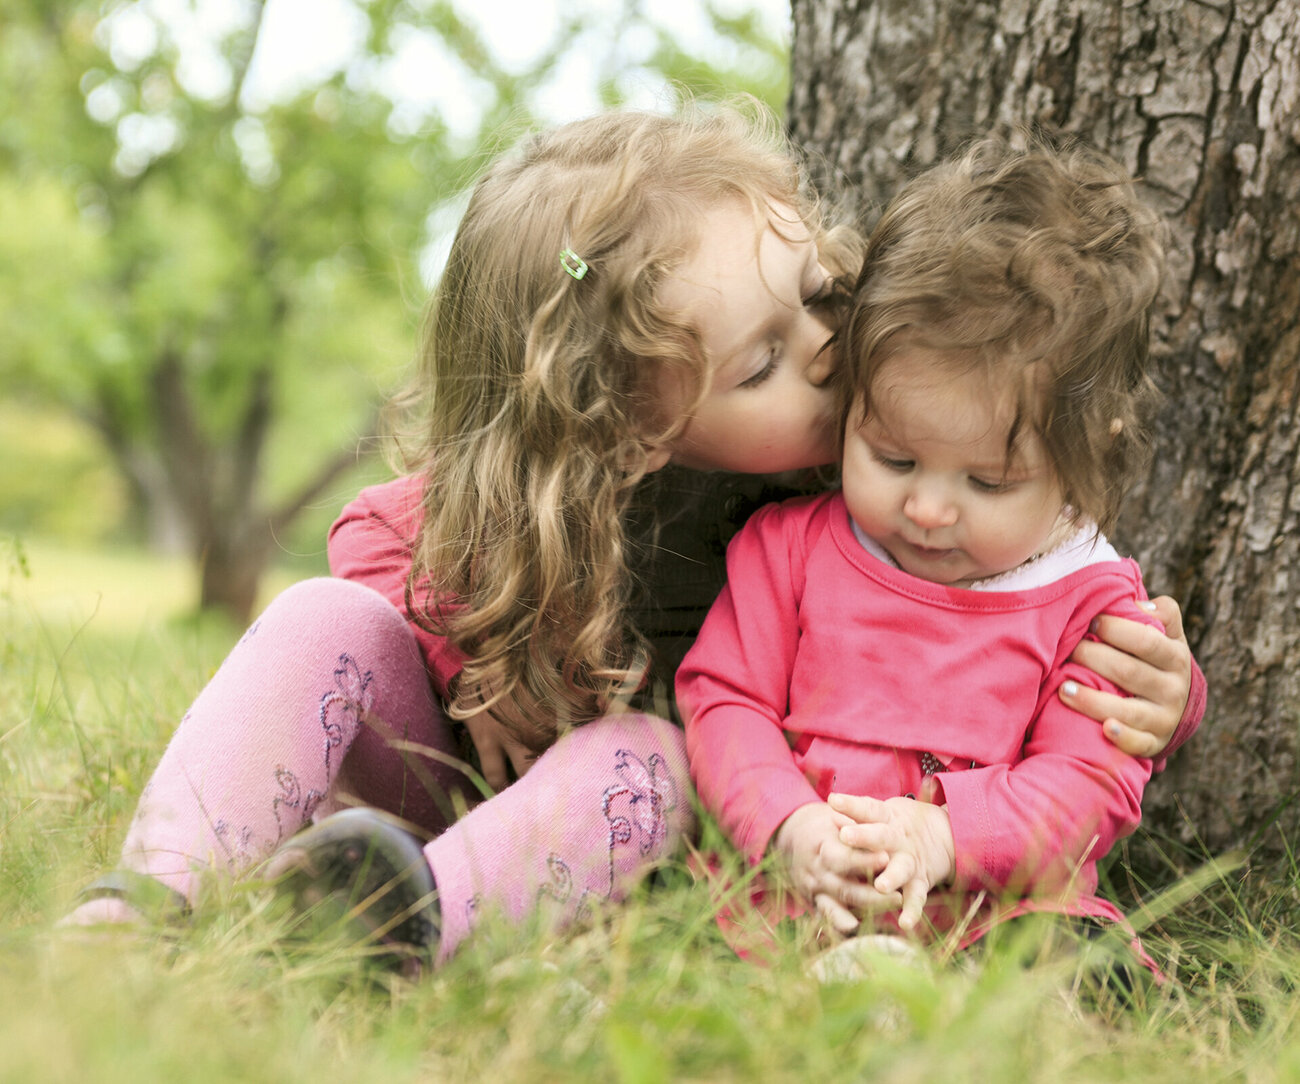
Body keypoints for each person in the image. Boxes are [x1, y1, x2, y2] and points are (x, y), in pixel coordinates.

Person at [63, 105, 1204, 975]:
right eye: (759, 361)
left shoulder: (868, 485)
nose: (822, 348)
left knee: (641, 754)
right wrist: (471, 655)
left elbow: (1053, 618)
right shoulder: (543, 497)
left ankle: (396, 926)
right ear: (628, 428)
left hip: (578, 841)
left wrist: (1168, 691)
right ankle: (144, 900)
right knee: (321, 612)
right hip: (436, 784)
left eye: (813, 294)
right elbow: (373, 535)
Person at [677, 137, 1195, 962]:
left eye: (988, 482)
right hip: (802, 893)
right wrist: (788, 823)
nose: (925, 507)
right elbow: (723, 702)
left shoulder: (1095, 608)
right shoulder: (789, 550)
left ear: (1083, 459)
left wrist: (951, 836)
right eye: (892, 456)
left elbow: (1089, 783)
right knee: (715, 944)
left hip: (991, 915)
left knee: (1059, 955)